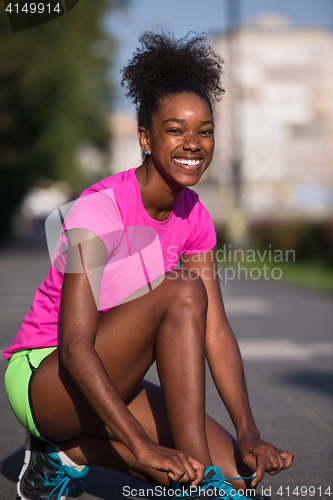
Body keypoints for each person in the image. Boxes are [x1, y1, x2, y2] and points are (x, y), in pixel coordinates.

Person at [4, 32, 293, 500]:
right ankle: (191, 477)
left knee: (240, 479)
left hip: (113, 372)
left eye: (205, 130)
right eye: (176, 129)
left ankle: (68, 451)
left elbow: (215, 331)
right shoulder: (97, 210)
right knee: (182, 290)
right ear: (145, 137)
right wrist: (142, 447)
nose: (193, 143)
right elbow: (77, 349)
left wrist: (248, 431)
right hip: (47, 375)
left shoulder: (194, 215)